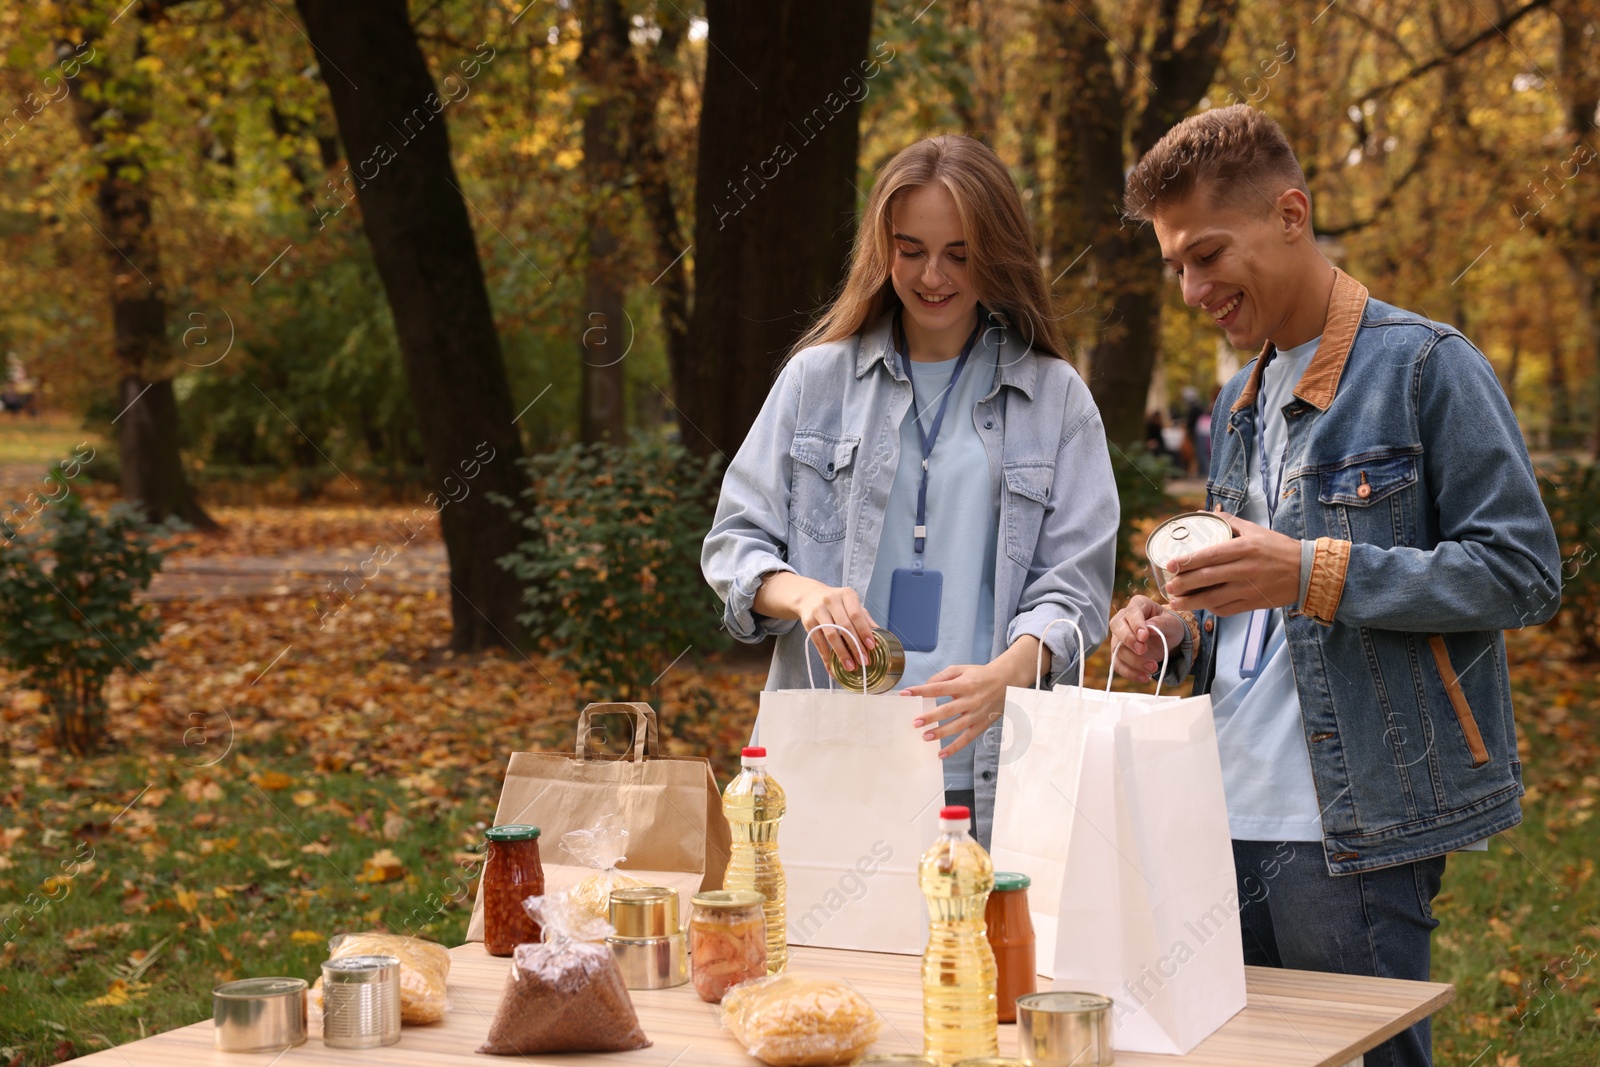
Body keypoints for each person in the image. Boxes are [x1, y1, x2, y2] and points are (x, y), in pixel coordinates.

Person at [1108, 105, 1561, 1067]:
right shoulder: (1240, 403)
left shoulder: (1427, 367)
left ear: (1292, 213)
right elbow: (1252, 619)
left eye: (1208, 255)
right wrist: (1174, 627)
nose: (1192, 289)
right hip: (1216, 815)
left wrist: (1309, 571)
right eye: (1175, 266)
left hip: (1349, 827)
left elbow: (1522, 571)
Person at [702, 135, 1118, 850]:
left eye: (960, 253)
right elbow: (735, 543)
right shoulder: (815, 382)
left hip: (986, 767)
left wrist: (1007, 674)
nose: (933, 275)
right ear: (881, 247)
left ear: (998, 252)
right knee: (822, 964)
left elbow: (1077, 589)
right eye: (912, 249)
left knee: (970, 960)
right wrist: (806, 596)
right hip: (829, 756)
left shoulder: (1057, 399)